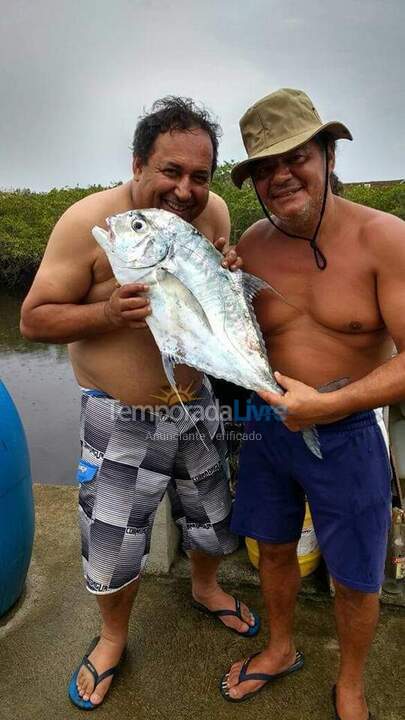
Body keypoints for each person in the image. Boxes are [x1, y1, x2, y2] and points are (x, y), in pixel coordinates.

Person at [20, 96, 259, 710]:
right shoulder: (87, 222)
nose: (185, 190)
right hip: (119, 417)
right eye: (170, 172)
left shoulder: (216, 214)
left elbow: (209, 313)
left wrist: (223, 276)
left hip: (196, 402)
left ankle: (205, 588)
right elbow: (33, 320)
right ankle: (112, 636)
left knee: (211, 515)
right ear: (137, 164)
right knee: (112, 540)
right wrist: (106, 312)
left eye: (199, 177)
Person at [220, 88, 403, 720]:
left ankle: (350, 682)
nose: (279, 176)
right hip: (267, 429)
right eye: (263, 168)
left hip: (347, 433)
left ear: (327, 152)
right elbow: (231, 338)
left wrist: (331, 405)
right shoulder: (252, 242)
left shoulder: (386, 239)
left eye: (293, 156)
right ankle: (278, 648)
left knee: (356, 574)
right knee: (272, 546)